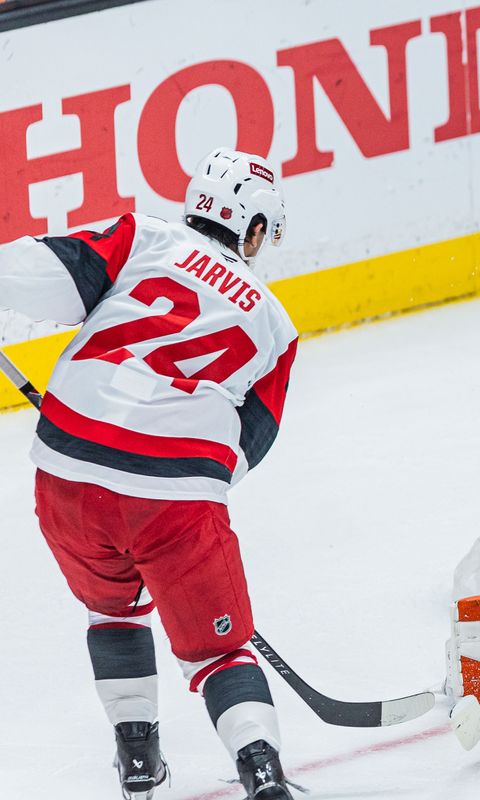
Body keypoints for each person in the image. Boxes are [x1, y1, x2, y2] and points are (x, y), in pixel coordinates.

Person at [0, 149, 298, 799]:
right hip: (177, 499)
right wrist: (183, 498)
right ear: (250, 228)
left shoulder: (143, 237)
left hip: (68, 473)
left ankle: (138, 760)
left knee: (113, 609)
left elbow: (31, 273)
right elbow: (251, 442)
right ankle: (263, 772)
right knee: (222, 652)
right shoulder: (276, 323)